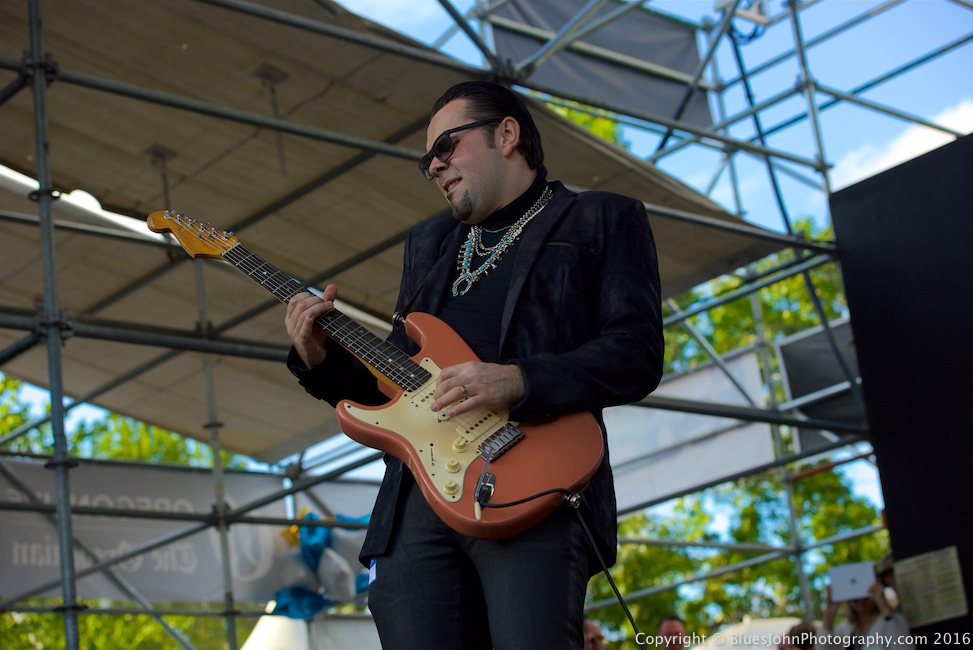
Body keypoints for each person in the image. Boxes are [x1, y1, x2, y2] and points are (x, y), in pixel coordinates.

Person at [284, 80, 663, 649]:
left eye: (447, 147)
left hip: (532, 486)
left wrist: (518, 379)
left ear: (507, 134)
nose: (435, 166)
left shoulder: (600, 218)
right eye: (427, 160)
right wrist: (318, 359)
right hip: (417, 499)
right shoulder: (429, 245)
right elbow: (394, 388)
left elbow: (636, 353)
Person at [817, 582, 913, 650]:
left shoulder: (889, 621)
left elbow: (903, 646)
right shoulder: (848, 627)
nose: (861, 602)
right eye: (855, 598)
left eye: (866, 596)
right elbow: (824, 647)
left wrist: (883, 604)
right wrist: (829, 614)